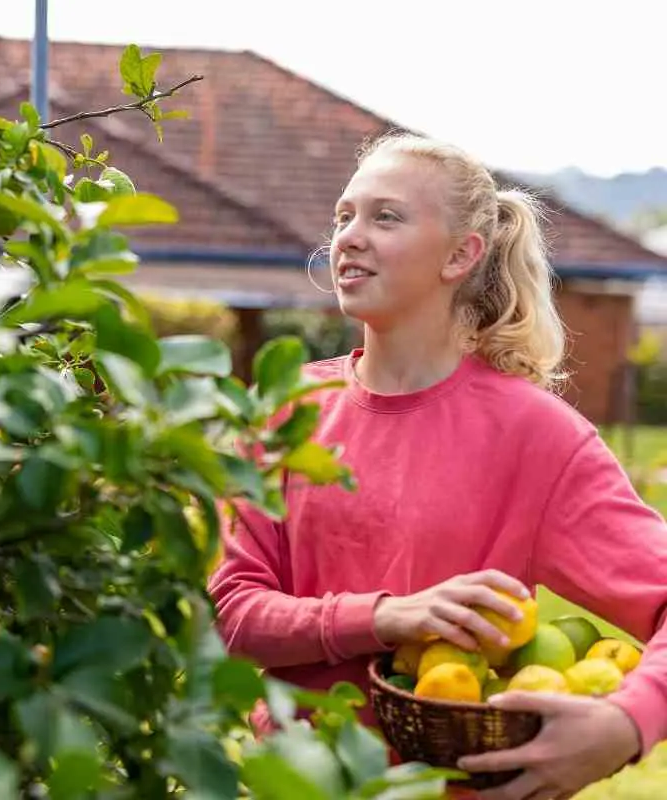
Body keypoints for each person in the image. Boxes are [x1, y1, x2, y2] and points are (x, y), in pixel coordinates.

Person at [207, 132, 667, 799]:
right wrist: (389, 616)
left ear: (461, 255)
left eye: (384, 217)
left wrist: (629, 721)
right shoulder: (285, 410)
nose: (350, 238)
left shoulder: (536, 438)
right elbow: (231, 618)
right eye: (344, 216)